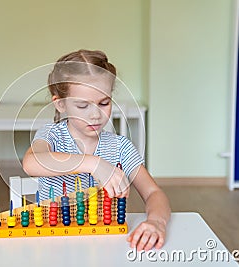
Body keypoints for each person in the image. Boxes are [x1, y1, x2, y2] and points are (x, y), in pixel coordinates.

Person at [22, 49, 171, 251]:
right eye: (83, 105)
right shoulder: (51, 136)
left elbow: (154, 193)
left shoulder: (121, 147)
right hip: (54, 243)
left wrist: (156, 222)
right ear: (60, 104)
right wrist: (94, 164)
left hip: (106, 244)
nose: (96, 115)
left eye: (104, 103)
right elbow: (31, 163)